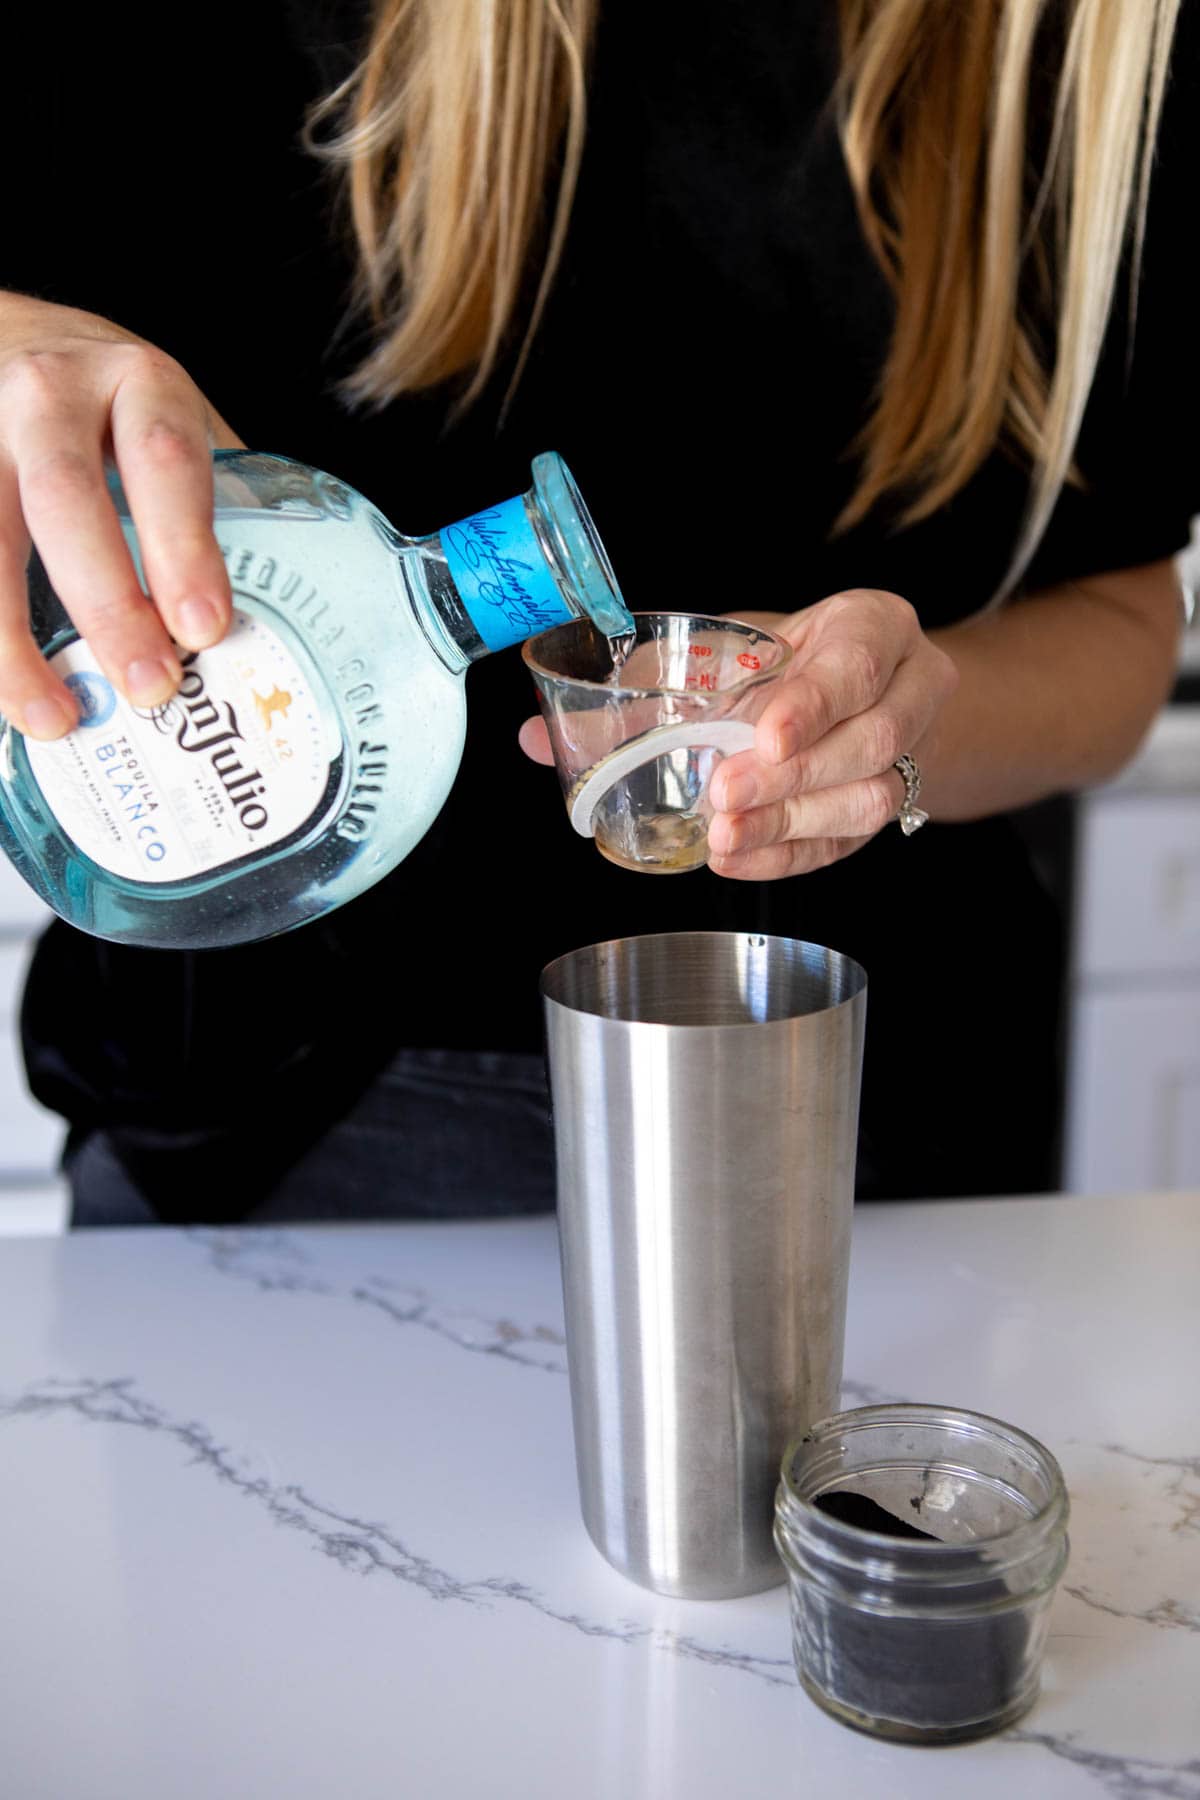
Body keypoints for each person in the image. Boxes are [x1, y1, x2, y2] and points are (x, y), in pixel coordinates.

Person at [4, 0, 1192, 1225]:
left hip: (851, 1101)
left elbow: (1122, 611)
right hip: (274, 1105)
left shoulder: (1110, 45)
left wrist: (888, 728)